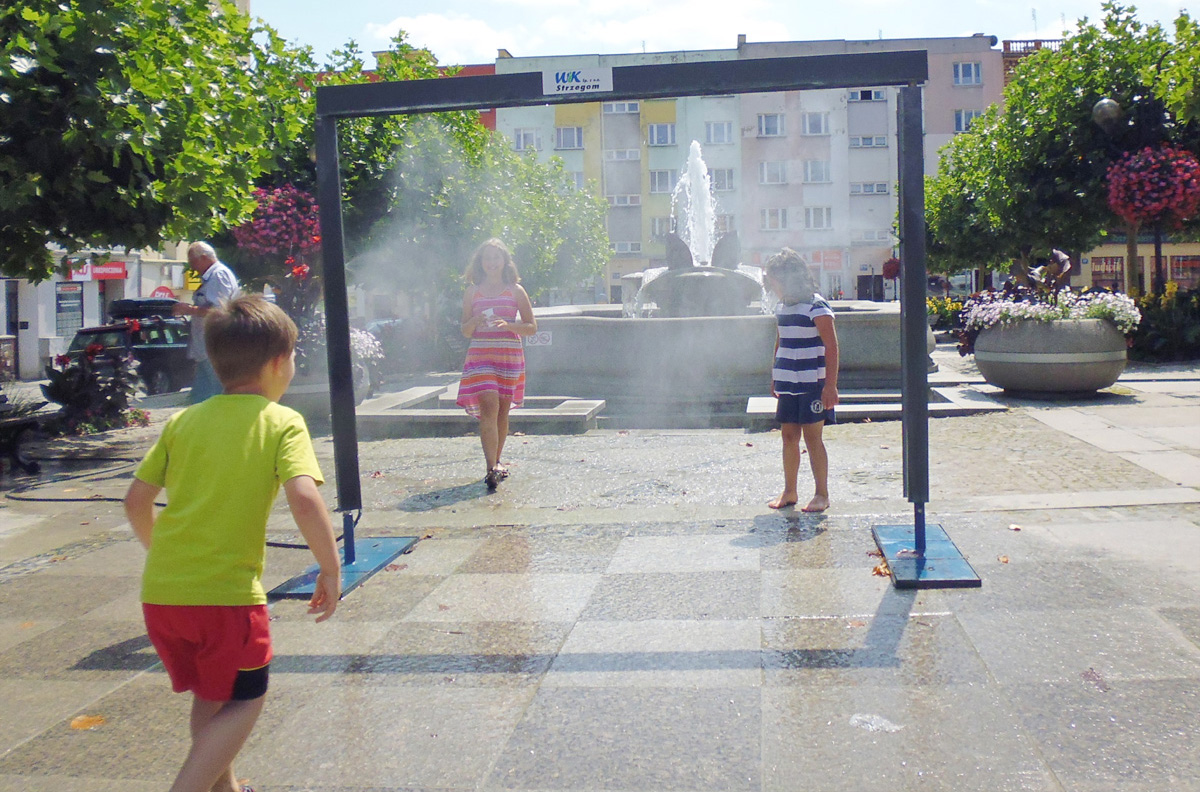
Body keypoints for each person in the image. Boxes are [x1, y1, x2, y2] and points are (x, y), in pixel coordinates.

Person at [124, 295, 341, 792]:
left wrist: (161, 555)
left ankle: (225, 787)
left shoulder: (182, 421)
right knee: (247, 699)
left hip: (162, 596)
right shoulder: (282, 422)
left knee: (213, 691)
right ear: (279, 364)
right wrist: (329, 567)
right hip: (226, 600)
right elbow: (305, 499)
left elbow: (136, 502)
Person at [456, 238, 537, 490]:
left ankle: (498, 461)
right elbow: (465, 330)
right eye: (487, 258)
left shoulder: (516, 291)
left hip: (508, 356)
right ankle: (490, 466)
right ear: (480, 263)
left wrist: (508, 325)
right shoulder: (472, 291)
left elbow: (531, 327)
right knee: (489, 405)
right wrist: (476, 321)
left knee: (502, 410)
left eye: (496, 258)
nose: (491, 262)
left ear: (504, 261)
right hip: (480, 356)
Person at [764, 248, 840, 512]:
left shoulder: (816, 305)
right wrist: (776, 375)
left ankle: (822, 493)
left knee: (812, 438)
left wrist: (830, 385)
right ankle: (790, 491)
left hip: (812, 383)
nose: (770, 283)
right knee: (788, 436)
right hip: (789, 382)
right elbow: (780, 340)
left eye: (773, 278)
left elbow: (831, 346)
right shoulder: (782, 305)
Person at [175, 241, 241, 403]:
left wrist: (188, 309)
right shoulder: (211, 277)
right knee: (201, 396)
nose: (192, 267)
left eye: (193, 261)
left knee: (214, 394)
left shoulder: (218, 275)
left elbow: (219, 310)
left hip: (215, 345)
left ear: (204, 257)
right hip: (206, 347)